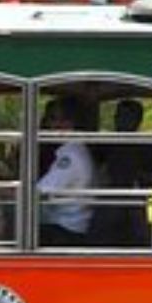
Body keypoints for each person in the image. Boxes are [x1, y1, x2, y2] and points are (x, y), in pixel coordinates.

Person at [35, 96, 97, 246]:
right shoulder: (71, 151)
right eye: (50, 119)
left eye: (55, 119)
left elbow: (38, 194)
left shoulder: (70, 157)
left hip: (65, 231)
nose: (50, 125)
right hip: (62, 225)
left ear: (71, 123)